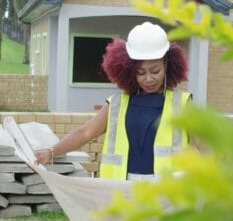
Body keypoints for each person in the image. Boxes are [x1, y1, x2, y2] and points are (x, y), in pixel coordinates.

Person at [36, 21, 192, 180]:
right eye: (140, 72)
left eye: (155, 71)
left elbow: (207, 145)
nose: (148, 79)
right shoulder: (118, 103)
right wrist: (51, 152)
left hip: (167, 193)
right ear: (130, 70)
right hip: (121, 189)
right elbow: (85, 133)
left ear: (167, 65)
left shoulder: (181, 103)